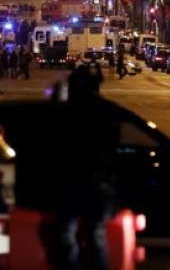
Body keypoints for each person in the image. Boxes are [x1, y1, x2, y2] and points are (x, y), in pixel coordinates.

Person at [53, 63, 118, 270]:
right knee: (94, 234)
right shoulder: (107, 111)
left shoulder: (69, 112)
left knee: (66, 233)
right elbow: (113, 147)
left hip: (76, 180)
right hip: (96, 182)